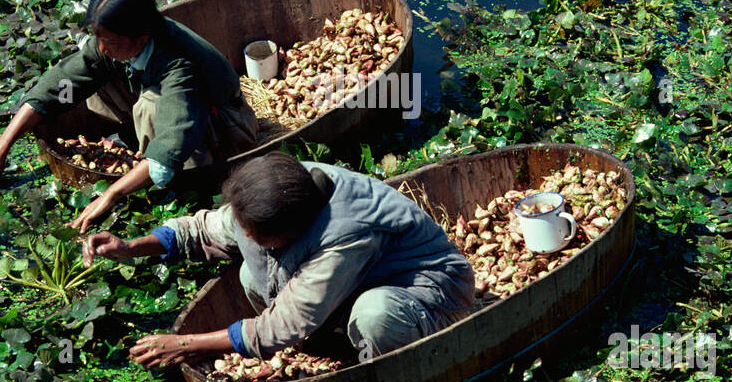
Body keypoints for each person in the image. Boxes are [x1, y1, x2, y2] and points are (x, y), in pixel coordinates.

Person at [82, 152, 475, 368]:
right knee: (251, 278)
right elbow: (203, 230)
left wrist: (191, 344)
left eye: (251, 232)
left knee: (376, 315)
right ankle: (330, 345)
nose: (243, 233)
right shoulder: (272, 192)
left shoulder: (344, 236)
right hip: (354, 284)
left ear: (288, 233)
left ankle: (380, 370)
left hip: (426, 294)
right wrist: (131, 247)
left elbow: (289, 318)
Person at [0, 0, 258, 234]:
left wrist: (111, 194)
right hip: (162, 94)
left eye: (110, 41)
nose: (102, 47)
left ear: (141, 36)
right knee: (91, 76)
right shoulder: (113, 43)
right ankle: (135, 141)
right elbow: (61, 85)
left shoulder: (178, 64)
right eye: (98, 37)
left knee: (150, 108)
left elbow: (169, 151)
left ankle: (167, 170)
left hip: (226, 127)